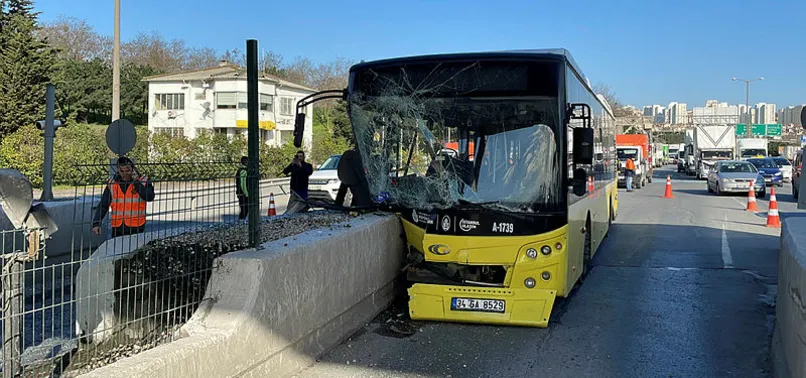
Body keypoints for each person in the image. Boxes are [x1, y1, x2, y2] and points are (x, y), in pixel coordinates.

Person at [92, 157, 155, 237]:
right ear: (118, 170)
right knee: (118, 249)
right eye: (122, 171)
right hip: (117, 227)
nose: (125, 174)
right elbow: (104, 205)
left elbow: (149, 197)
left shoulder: (143, 181)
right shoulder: (112, 184)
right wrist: (96, 223)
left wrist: (136, 182)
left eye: (127, 170)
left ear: (133, 169)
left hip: (136, 226)